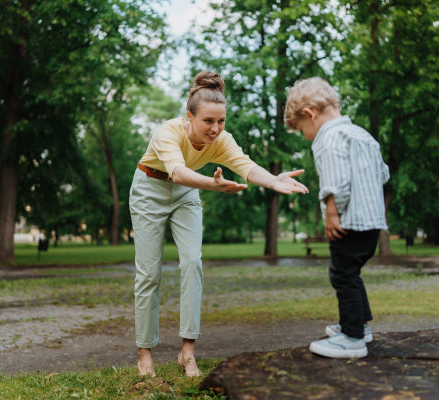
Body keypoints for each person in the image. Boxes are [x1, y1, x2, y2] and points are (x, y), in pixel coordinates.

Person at [131, 71, 309, 377]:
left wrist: (272, 180)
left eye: (221, 121)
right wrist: (212, 186)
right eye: (208, 121)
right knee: (149, 272)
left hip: (188, 190)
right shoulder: (168, 132)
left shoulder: (222, 140)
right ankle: (145, 354)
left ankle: (187, 353)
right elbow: (177, 173)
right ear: (189, 117)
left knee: (192, 263)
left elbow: (247, 168)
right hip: (151, 188)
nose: (216, 129)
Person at [284, 77, 390, 359]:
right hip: (372, 222)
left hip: (348, 221)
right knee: (351, 273)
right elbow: (383, 174)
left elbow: (336, 182)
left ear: (310, 114)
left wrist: (332, 213)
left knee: (342, 274)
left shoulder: (327, 139)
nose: (306, 136)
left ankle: (352, 339)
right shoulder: (362, 134)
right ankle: (358, 325)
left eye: (302, 130)